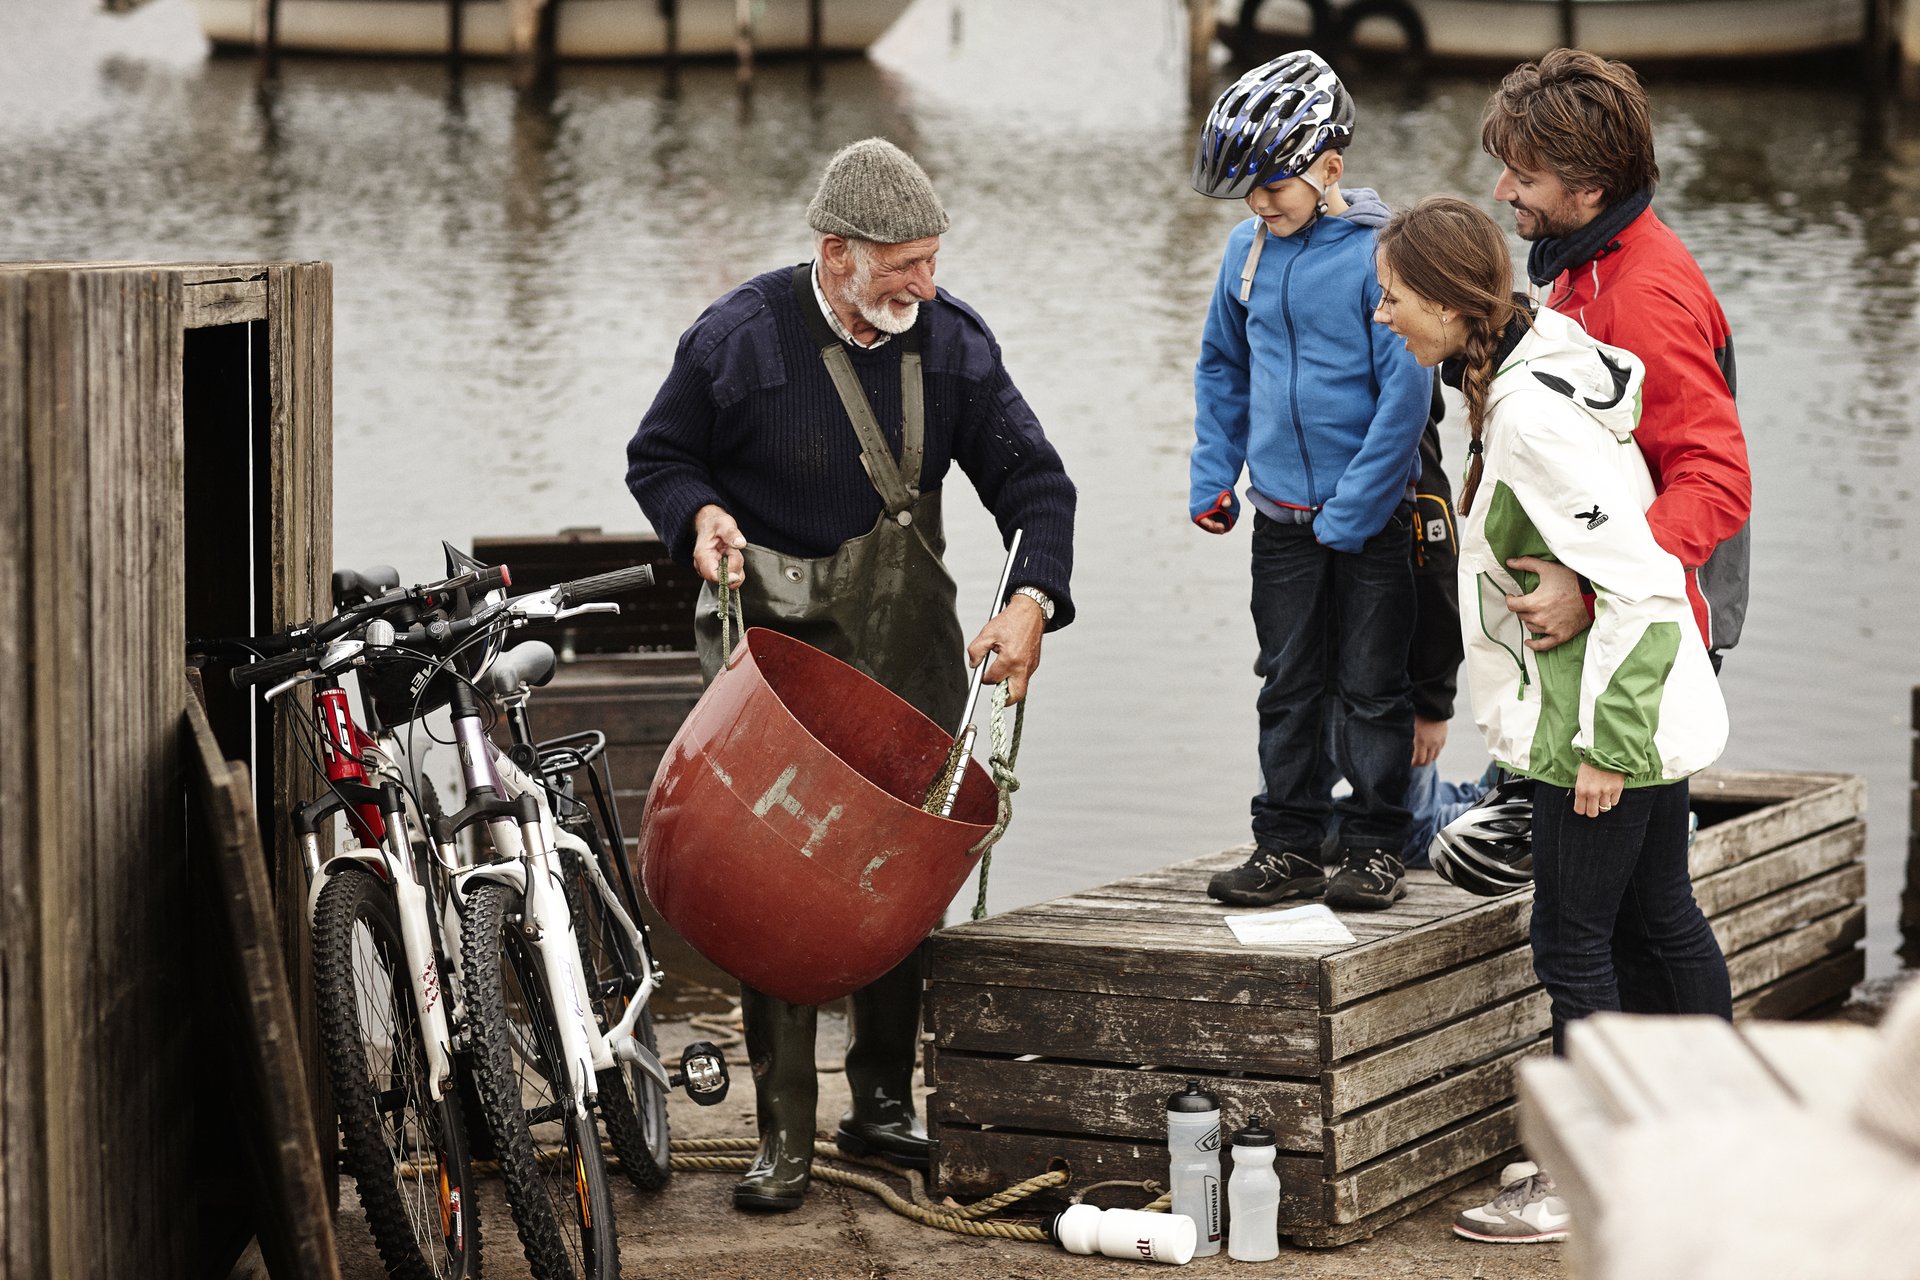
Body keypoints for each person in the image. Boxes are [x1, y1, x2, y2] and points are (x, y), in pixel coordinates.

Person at [625, 138, 1077, 1212]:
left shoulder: (954, 347)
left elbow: (1038, 487)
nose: (926, 282)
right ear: (837, 253)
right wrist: (700, 515)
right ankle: (781, 1128)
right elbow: (660, 457)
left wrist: (1030, 599)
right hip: (769, 652)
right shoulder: (738, 338)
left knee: (900, 868)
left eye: (932, 258)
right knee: (774, 876)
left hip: (907, 639)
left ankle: (879, 1102)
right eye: (904, 263)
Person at [1373, 196, 1732, 1244]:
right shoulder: (1536, 358)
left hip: (1604, 729)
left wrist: (1605, 749)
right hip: (1628, 711)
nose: (1384, 315)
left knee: (1572, 942)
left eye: (1394, 297)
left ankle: (1582, 1177)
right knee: (1660, 914)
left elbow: (1649, 584)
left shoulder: (1528, 415)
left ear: (1448, 300)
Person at [1187, 50, 1431, 912]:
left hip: (1368, 521)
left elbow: (1407, 393)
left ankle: (1373, 847)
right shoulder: (1245, 252)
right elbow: (1222, 366)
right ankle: (1286, 844)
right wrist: (1215, 472)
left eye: (1273, 188)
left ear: (1330, 167)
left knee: (1370, 687)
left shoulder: (1379, 254)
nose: (1259, 205)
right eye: (1248, 192)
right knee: (1285, 682)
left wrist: (1356, 509)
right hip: (1279, 518)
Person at [1481, 49, 1751, 671]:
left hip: (1650, 636)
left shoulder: (1638, 300)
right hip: (1614, 616)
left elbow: (1715, 480)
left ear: (1591, 188)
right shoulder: (1587, 260)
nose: (1502, 191)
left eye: (1523, 176)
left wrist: (1591, 592)